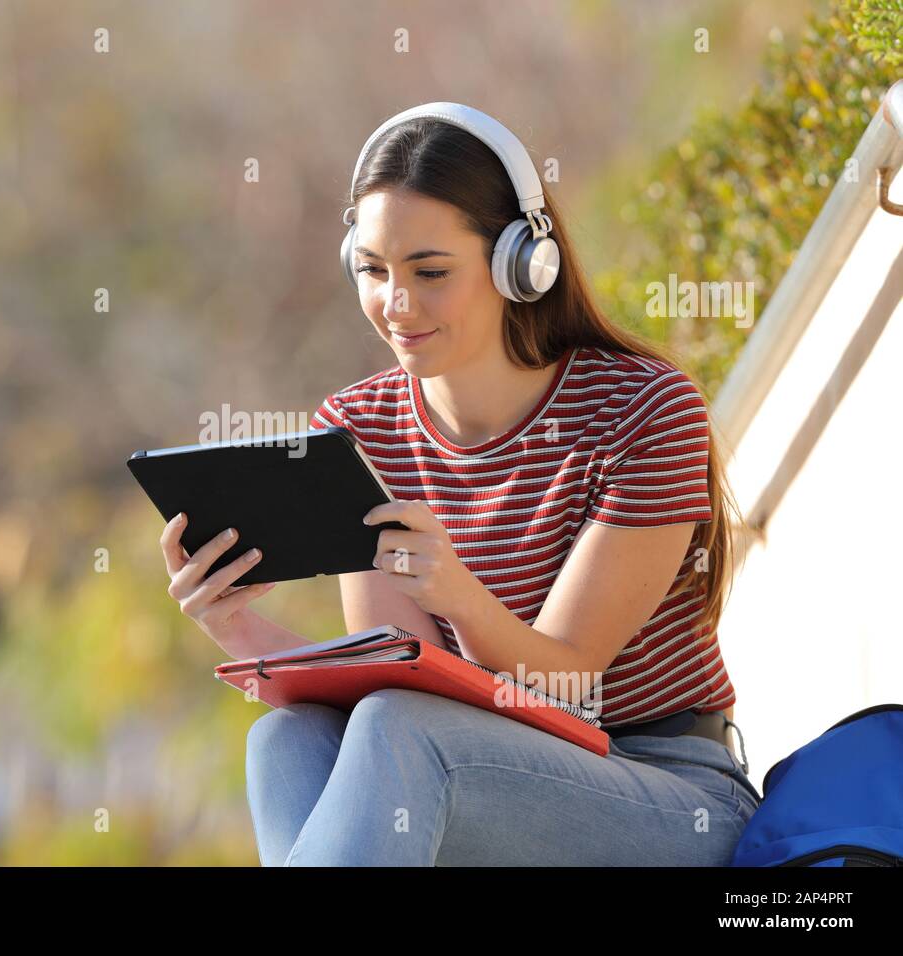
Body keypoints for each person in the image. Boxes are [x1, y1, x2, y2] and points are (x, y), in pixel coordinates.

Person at [157, 103, 762, 866]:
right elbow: (396, 671)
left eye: (430, 272)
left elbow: (565, 680)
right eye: (372, 271)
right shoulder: (361, 427)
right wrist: (238, 631)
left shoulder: (643, 409)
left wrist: (459, 595)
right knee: (288, 735)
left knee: (399, 728)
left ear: (521, 262)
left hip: (665, 792)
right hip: (478, 773)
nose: (395, 304)